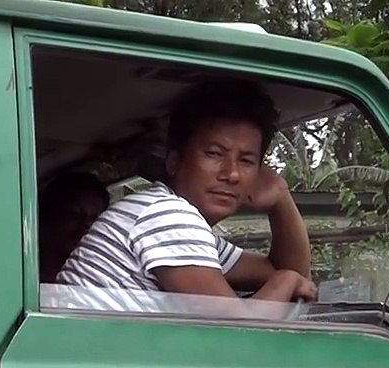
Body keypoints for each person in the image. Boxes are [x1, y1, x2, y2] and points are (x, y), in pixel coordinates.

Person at [56, 78, 316, 305]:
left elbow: (290, 272)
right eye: (214, 153)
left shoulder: (179, 224)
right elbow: (236, 331)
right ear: (174, 162)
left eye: (246, 160)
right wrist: (284, 282)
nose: (232, 173)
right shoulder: (167, 215)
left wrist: (281, 199)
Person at [37, 171, 110, 283]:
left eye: (95, 218)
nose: (87, 224)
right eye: (74, 214)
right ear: (48, 216)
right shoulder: (20, 280)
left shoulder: (101, 282)